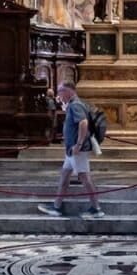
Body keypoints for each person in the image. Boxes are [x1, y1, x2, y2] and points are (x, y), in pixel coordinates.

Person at [40, 82, 106, 220]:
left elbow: (83, 123)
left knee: (84, 177)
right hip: (72, 150)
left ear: (68, 91)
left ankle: (96, 209)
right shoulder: (73, 104)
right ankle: (56, 206)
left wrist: (78, 144)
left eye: (60, 92)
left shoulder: (75, 105)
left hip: (77, 150)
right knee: (65, 175)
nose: (58, 95)